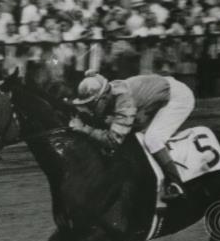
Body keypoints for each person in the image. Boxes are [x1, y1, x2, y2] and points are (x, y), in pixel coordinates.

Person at [69, 70, 195, 200]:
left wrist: (85, 129)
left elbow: (113, 140)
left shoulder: (125, 102)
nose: (89, 109)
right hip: (160, 91)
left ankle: (176, 184)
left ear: (104, 97)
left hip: (178, 97)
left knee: (152, 138)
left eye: (91, 104)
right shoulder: (109, 92)